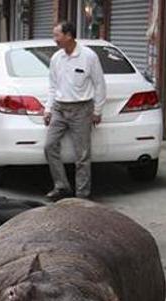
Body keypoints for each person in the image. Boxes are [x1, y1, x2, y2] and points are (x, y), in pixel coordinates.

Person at [43, 22, 106, 201]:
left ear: (69, 35)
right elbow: (53, 86)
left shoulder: (89, 56)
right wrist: (48, 109)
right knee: (49, 146)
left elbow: (99, 84)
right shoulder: (56, 58)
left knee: (82, 155)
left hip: (82, 109)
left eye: (57, 36)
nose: (55, 40)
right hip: (59, 109)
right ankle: (61, 185)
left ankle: (82, 195)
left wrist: (98, 110)